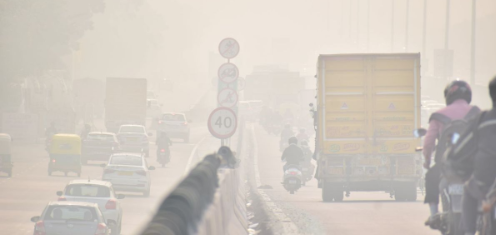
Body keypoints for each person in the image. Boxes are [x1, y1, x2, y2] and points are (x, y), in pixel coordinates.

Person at [423, 80, 479, 225]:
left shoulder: (438, 115)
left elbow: (428, 143)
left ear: (448, 96)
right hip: (473, 165)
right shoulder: (477, 113)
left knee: (430, 177)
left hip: (446, 165)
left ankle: (434, 214)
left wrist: (427, 161)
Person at [460, 77, 496, 235]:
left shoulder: (482, 120)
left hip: (485, 182)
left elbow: (459, 150)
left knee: (468, 190)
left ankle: (468, 232)